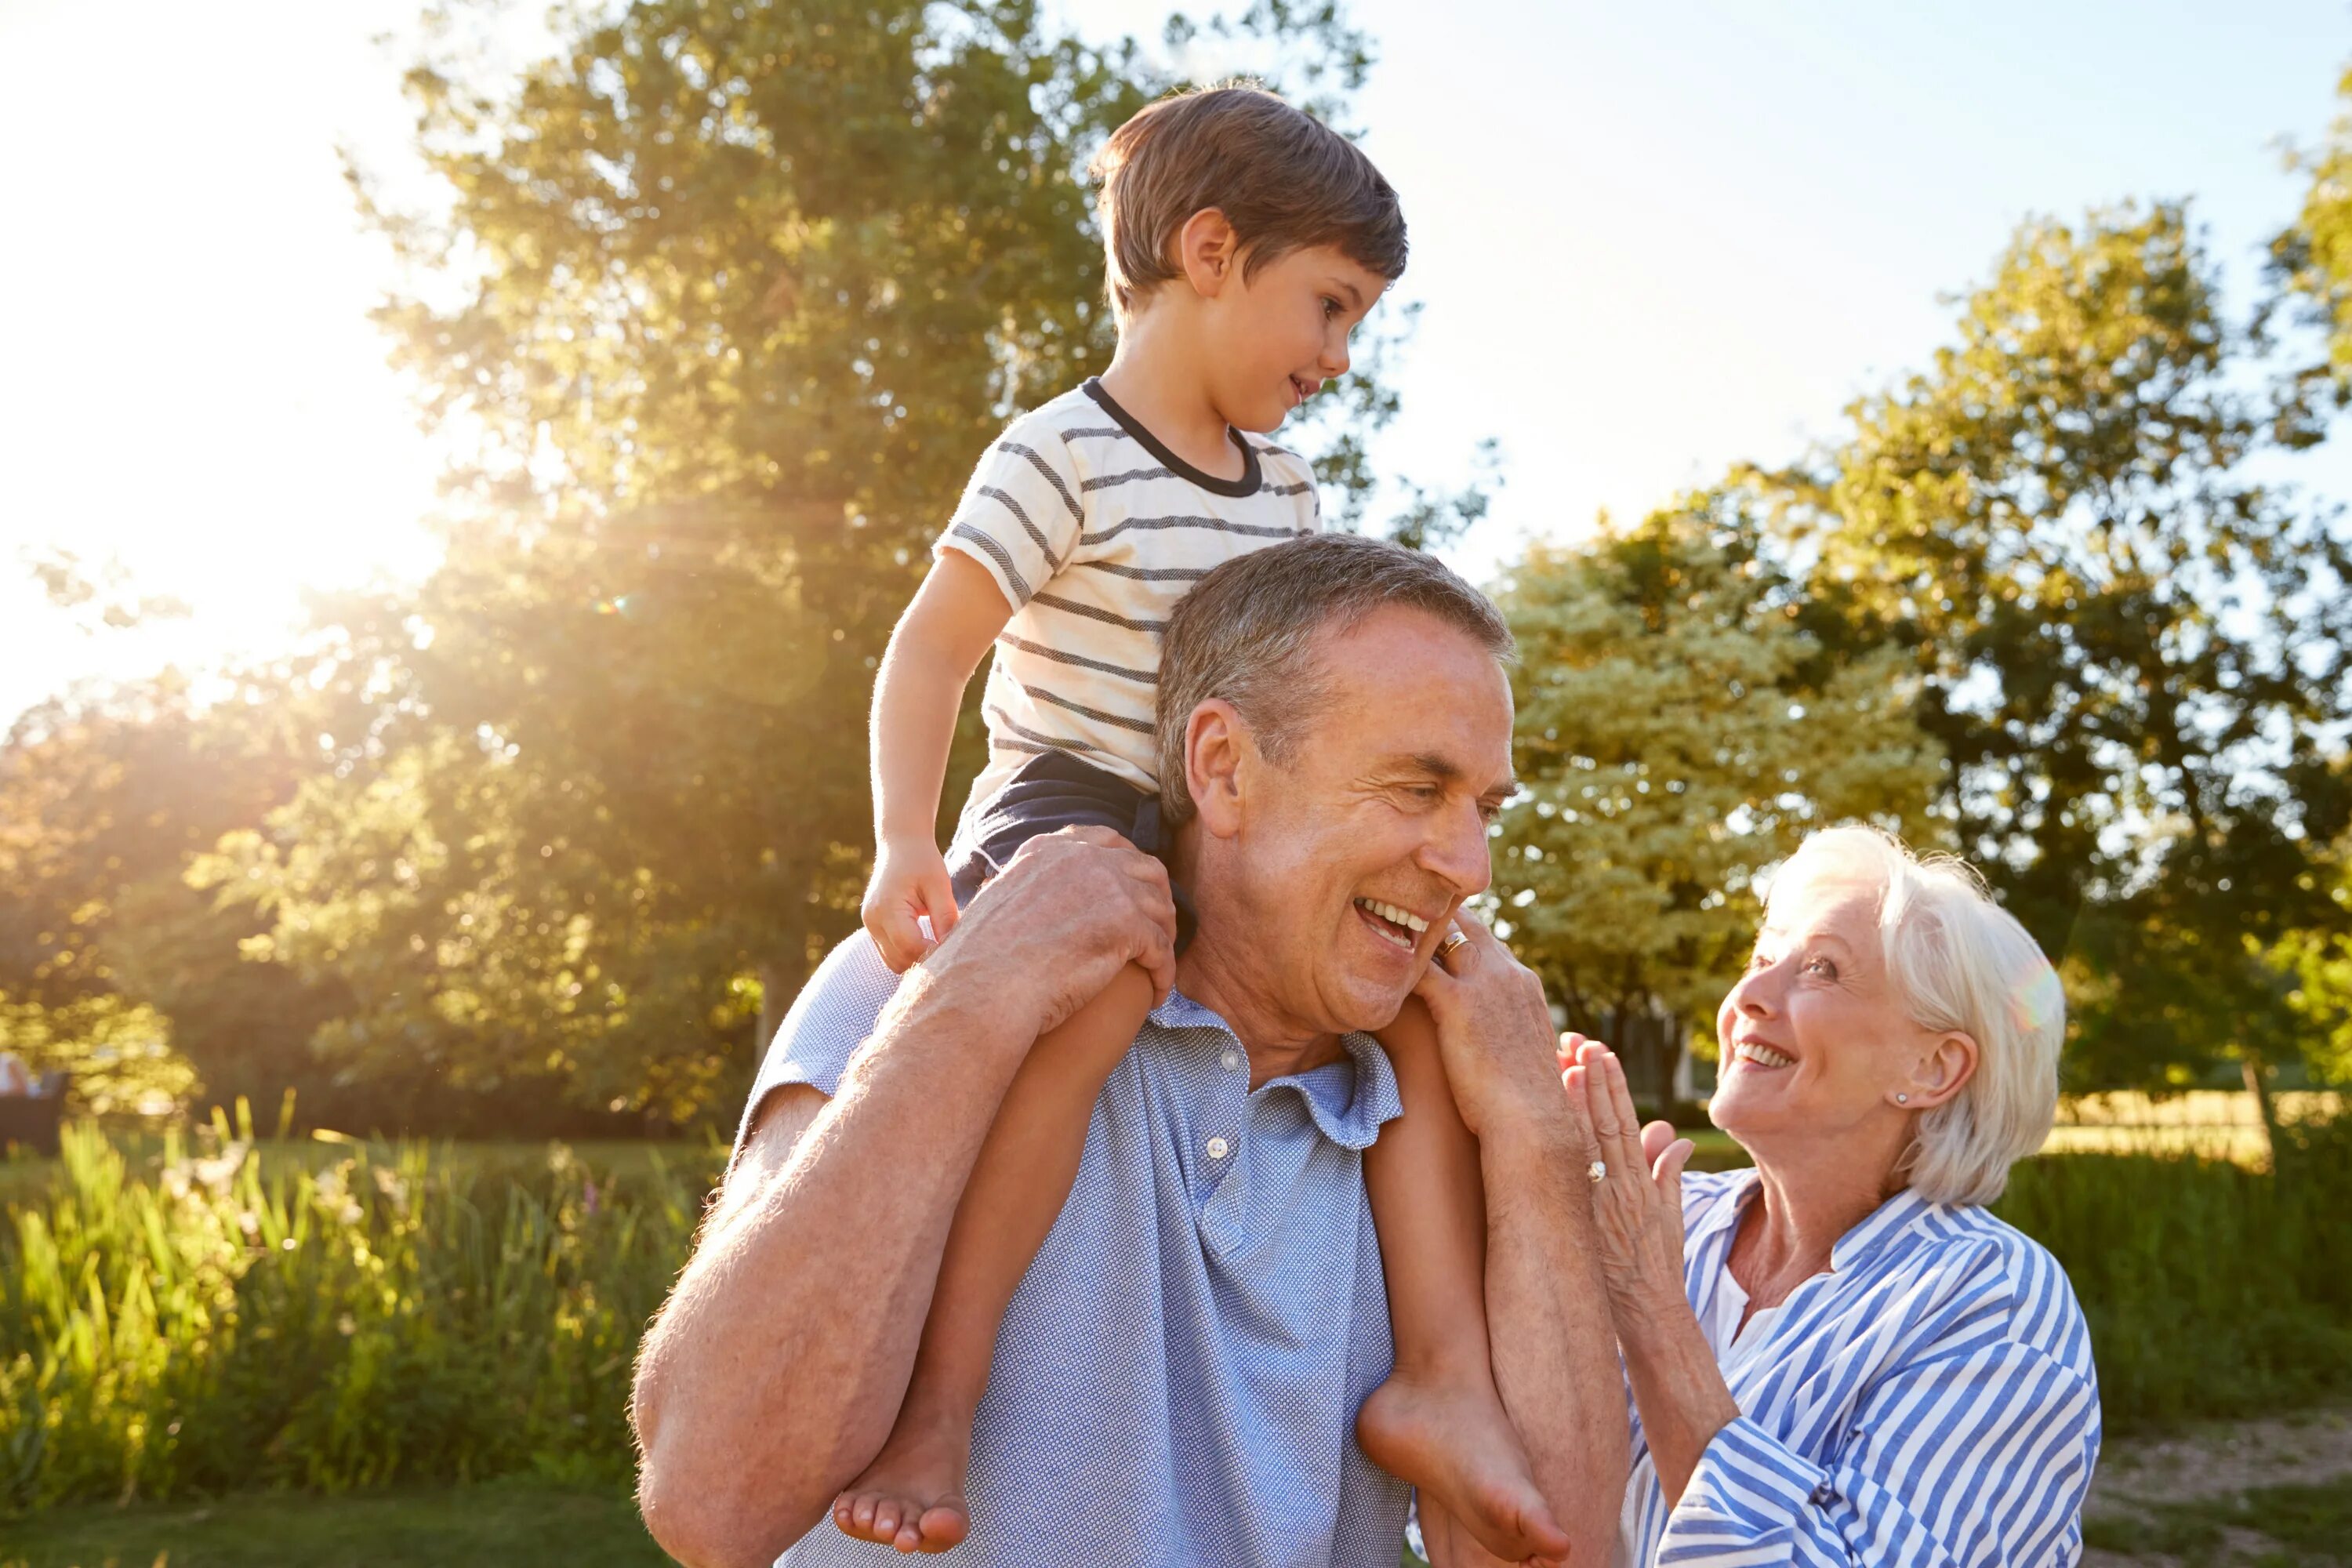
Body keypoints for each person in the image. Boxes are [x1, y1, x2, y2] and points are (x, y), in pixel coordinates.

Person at [833, 84, 1554, 1559]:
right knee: (1098, 997)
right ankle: (942, 1399)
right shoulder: (1062, 456)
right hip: (1072, 804)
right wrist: (907, 836)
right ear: (1213, 251)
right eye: (1330, 308)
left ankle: (1446, 1380)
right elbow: (932, 648)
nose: (1338, 359)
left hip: (1215, 811)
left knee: (1414, 996)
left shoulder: (1283, 495)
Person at [629, 534, 1629, 1568]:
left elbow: (1561, 1554)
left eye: (1484, 809)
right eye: (1418, 790)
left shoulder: (1441, 1095)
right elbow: (715, 1500)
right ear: (1224, 769)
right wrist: (964, 1005)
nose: (1471, 866)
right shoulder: (932, 975)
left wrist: (1534, 1133)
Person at [1566, 826, 2102, 1567]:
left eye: (1820, 968)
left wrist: (1648, 1305)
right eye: (1761, 958)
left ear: (1933, 1066)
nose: (1748, 995)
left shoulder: (1996, 1301)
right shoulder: (1665, 1216)